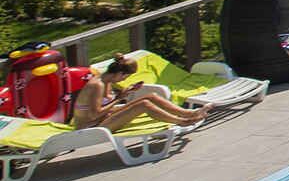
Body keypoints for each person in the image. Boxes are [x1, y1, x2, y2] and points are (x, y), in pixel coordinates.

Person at [75, 55, 207, 130]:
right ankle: (180, 121)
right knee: (144, 104)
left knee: (151, 96)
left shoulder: (106, 80)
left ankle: (189, 113)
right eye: (125, 77)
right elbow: (94, 114)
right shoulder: (97, 85)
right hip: (91, 127)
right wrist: (119, 99)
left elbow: (103, 105)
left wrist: (123, 94)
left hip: (103, 118)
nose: (124, 80)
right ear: (120, 73)